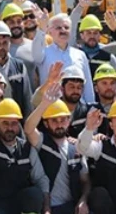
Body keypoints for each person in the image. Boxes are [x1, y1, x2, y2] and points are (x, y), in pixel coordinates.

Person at [25, 86, 91, 214]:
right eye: (54, 120)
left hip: (72, 207)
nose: (59, 124)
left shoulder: (76, 147)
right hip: (48, 208)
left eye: (63, 120)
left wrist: (83, 200)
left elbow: (86, 181)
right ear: (45, 123)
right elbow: (28, 128)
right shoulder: (42, 142)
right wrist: (44, 104)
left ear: (69, 120)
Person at [0, 98, 48, 214]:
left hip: (17, 203)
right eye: (5, 123)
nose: (10, 128)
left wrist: (47, 208)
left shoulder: (26, 148)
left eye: (14, 123)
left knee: (34, 194)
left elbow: (41, 178)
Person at [31, 8, 96, 104]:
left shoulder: (80, 54)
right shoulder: (44, 52)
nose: (63, 30)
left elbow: (88, 86)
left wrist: (91, 105)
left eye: (66, 27)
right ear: (50, 32)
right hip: (52, 108)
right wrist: (42, 27)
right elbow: (36, 54)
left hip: (77, 108)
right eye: (58, 28)